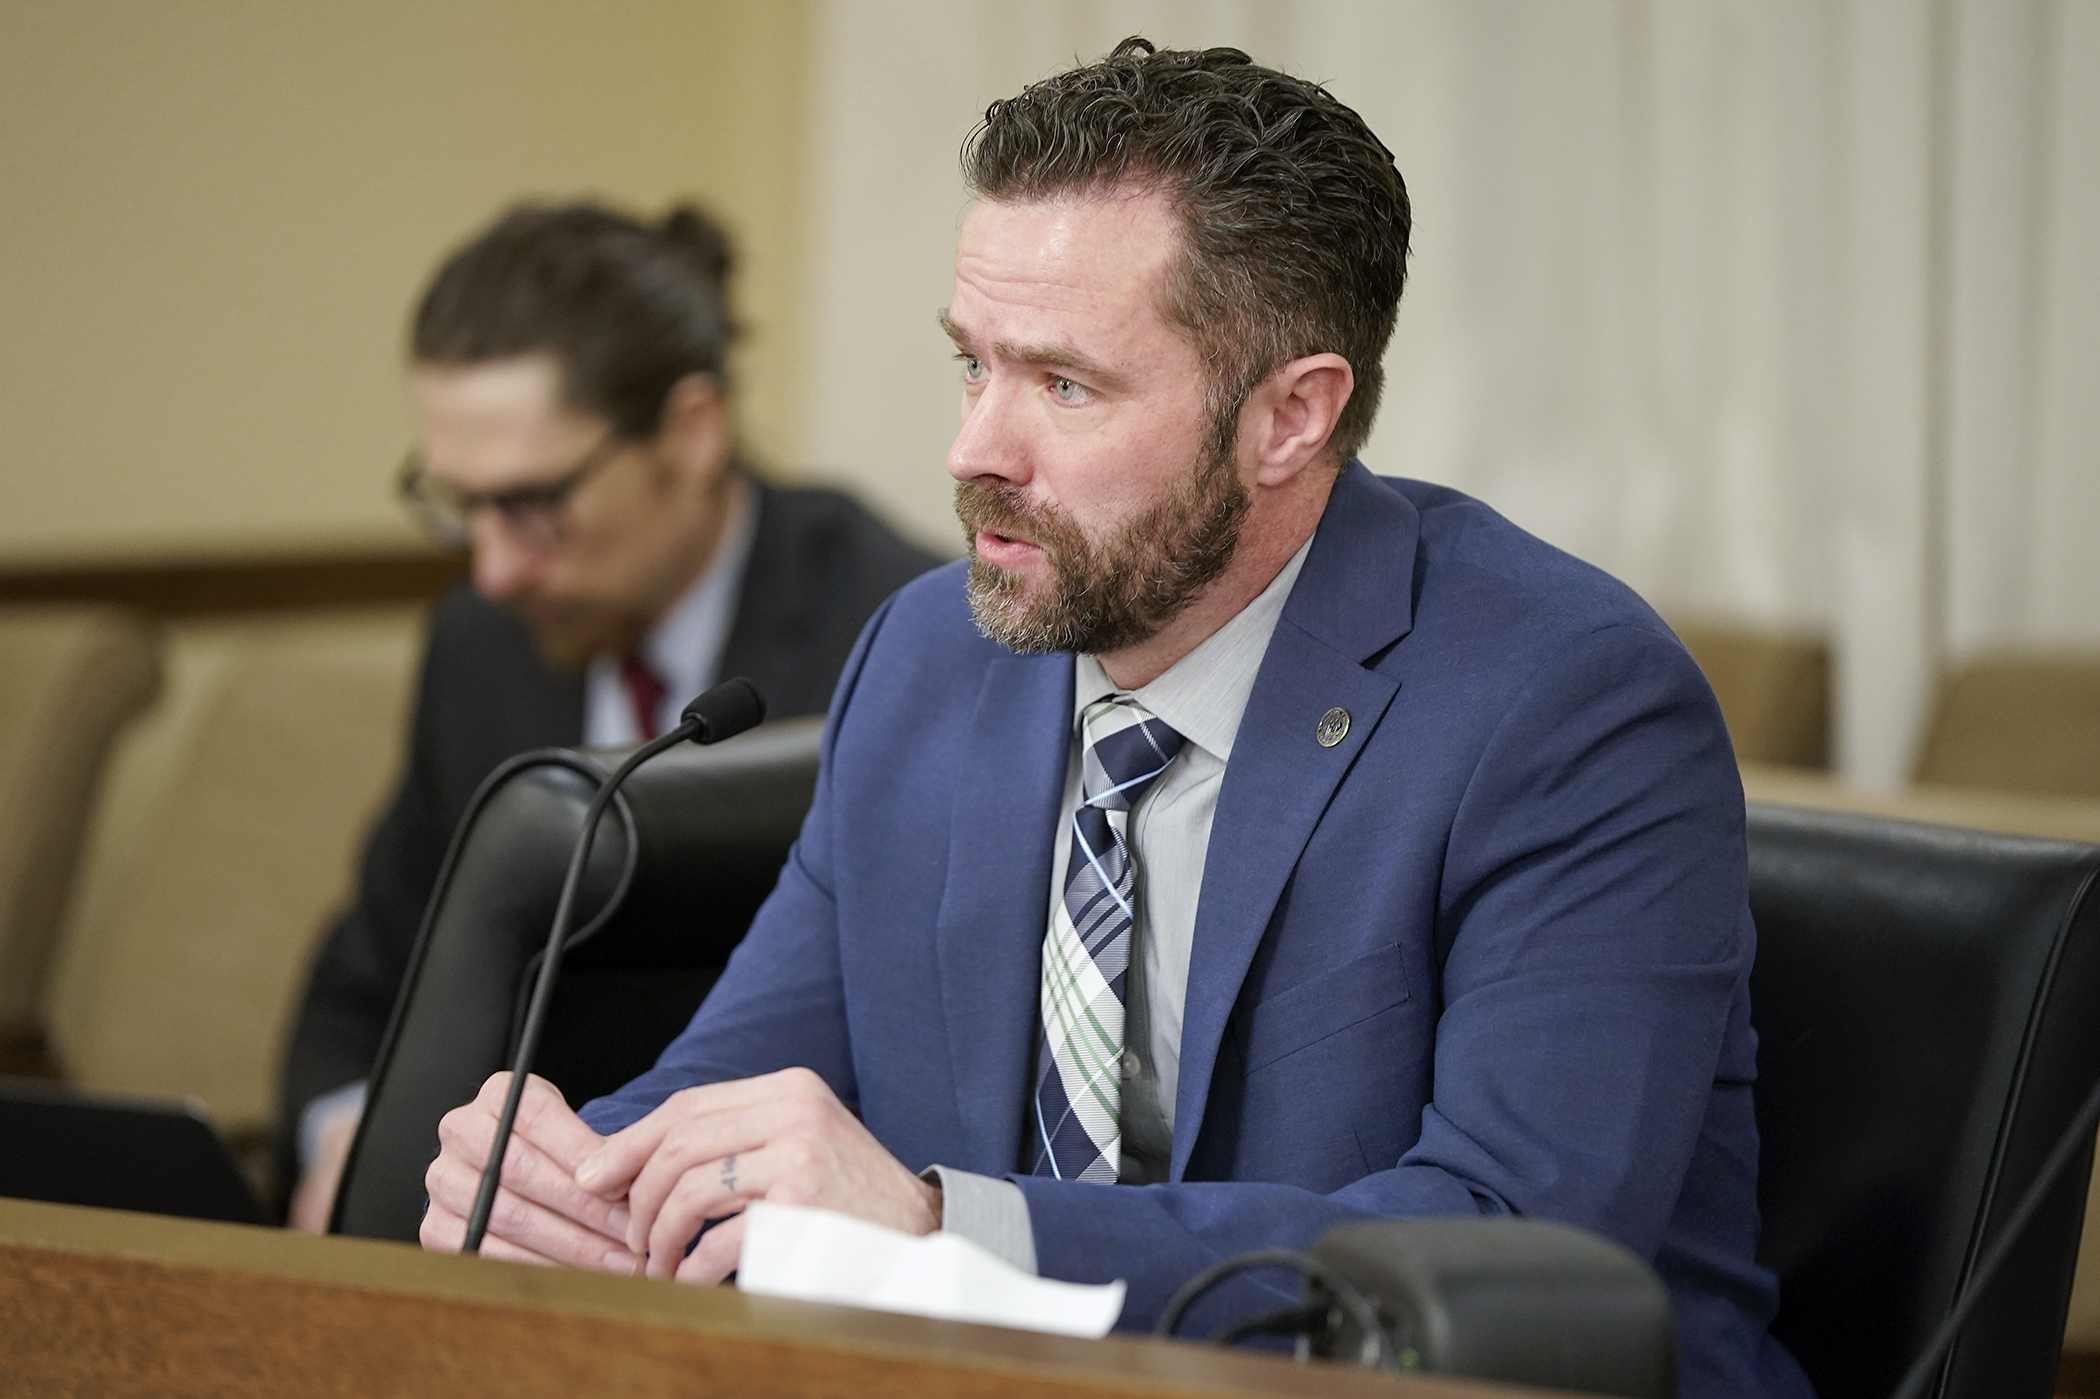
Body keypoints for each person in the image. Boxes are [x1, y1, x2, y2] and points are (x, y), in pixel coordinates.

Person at [417, 43, 1812, 1399]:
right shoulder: (929, 656)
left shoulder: (1564, 703)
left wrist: (940, 1225)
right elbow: (738, 1079)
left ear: (1290, 418)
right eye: (974, 364)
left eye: (1064, 384)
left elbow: (1516, 1243)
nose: (975, 451)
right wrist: (570, 1175)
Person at [278, 202, 942, 1231]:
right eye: (459, 504)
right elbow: (376, 967)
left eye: (534, 504)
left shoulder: (897, 645)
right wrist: (349, 1145)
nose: (492, 567)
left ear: (691, 432)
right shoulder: (479, 643)